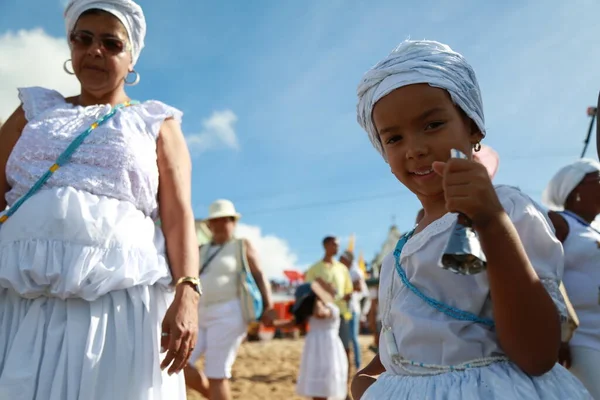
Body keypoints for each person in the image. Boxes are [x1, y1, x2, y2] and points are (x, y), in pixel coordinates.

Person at [351, 39, 591, 399]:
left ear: (474, 127)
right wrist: (371, 374)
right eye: (394, 138)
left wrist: (491, 222)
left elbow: (537, 353)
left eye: (432, 124)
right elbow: (430, 332)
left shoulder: (507, 209)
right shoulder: (401, 250)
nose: (414, 148)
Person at [0, 1, 199, 398]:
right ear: (70, 46)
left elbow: (178, 216)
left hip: (118, 304)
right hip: (22, 298)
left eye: (112, 43)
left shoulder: (155, 122)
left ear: (131, 60)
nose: (95, 51)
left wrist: (188, 292)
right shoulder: (34, 110)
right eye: (83, 38)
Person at [184, 199, 276, 400]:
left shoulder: (242, 245)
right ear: (209, 224)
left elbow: (259, 275)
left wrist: (269, 306)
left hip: (229, 312)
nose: (222, 224)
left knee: (217, 373)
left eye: (227, 219)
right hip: (200, 313)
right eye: (217, 220)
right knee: (181, 363)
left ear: (234, 222)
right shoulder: (201, 249)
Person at [543, 159, 600, 398]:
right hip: (579, 341)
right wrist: (557, 334)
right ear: (575, 188)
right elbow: (543, 274)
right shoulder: (559, 223)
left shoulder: (592, 230)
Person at [275, 278, 348, 400]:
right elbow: (293, 324)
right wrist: (274, 324)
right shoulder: (310, 309)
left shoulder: (332, 308)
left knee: (325, 384)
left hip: (328, 349)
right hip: (314, 349)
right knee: (316, 387)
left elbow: (320, 313)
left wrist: (318, 297)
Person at [304, 236, 353, 375]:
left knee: (345, 349)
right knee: (325, 351)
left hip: (341, 314)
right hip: (322, 317)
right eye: (334, 245)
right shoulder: (314, 269)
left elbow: (349, 290)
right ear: (325, 246)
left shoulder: (342, 269)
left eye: (337, 245)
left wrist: (344, 296)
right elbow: (308, 292)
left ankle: (345, 383)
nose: (337, 247)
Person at [340, 250, 368, 371]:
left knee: (353, 338)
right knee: (345, 338)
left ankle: (357, 365)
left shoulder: (355, 271)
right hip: (344, 308)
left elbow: (359, 287)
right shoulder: (343, 271)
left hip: (352, 309)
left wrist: (347, 290)